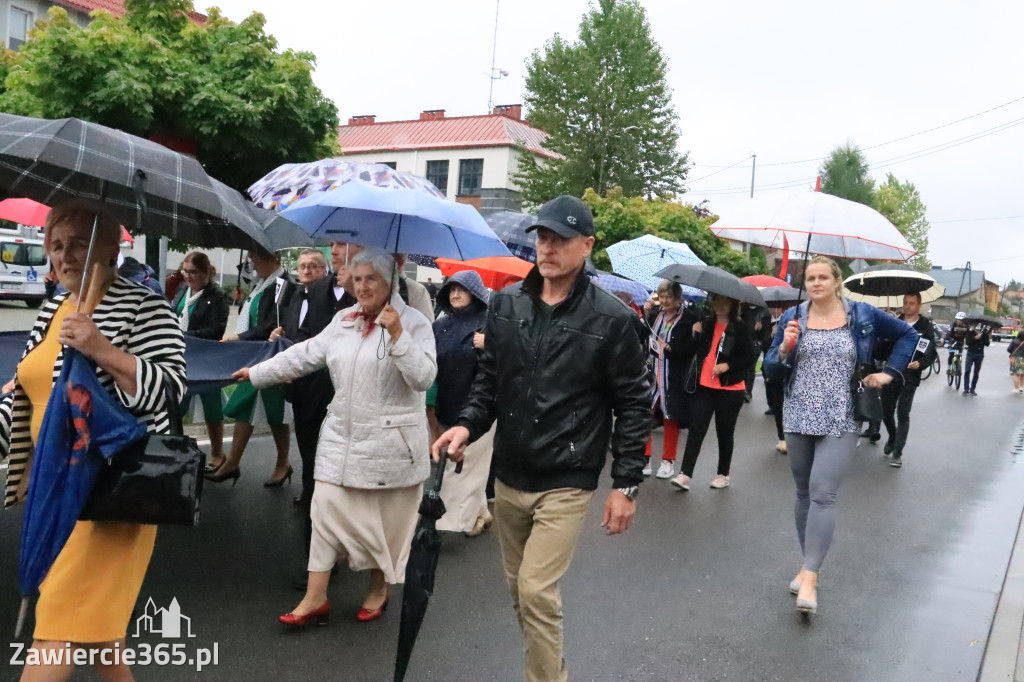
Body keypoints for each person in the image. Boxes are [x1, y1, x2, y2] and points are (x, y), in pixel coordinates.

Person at [432, 195, 650, 682]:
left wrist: (626, 484)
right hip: (509, 474)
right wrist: (466, 424)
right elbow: (489, 383)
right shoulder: (507, 304)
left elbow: (634, 405)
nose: (548, 247)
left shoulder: (611, 319)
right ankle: (551, 665)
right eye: (543, 237)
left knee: (534, 590)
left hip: (567, 478)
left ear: (586, 245)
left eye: (561, 239)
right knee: (523, 594)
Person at [0, 200, 186, 680]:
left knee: (58, 625)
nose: (65, 255)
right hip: (54, 488)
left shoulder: (144, 304)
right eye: (57, 245)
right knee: (101, 637)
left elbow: (170, 392)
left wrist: (101, 348)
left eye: (79, 243)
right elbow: (27, 392)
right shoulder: (55, 306)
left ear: (110, 247)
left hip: (108, 493)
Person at [234, 248, 436, 625]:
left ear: (391, 281)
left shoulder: (415, 323)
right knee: (323, 512)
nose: (361, 287)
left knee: (382, 525)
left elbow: (423, 378)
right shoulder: (344, 320)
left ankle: (378, 587)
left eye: (370, 279)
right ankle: (315, 597)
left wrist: (398, 335)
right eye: (355, 279)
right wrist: (259, 371)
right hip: (340, 439)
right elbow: (306, 354)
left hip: (390, 446)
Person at [764, 256, 917, 616]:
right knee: (802, 492)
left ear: (837, 281)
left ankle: (812, 578)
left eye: (823, 277)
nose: (816, 283)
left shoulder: (861, 314)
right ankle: (806, 564)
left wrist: (890, 373)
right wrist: (785, 348)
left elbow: (908, 334)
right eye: (811, 278)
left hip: (842, 415)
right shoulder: (792, 317)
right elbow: (771, 367)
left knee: (822, 493)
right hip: (799, 411)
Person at [212, 247, 296, 487]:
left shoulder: (284, 286)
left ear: (274, 258)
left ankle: (282, 462)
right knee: (246, 407)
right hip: (254, 355)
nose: (252, 262)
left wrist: (238, 338)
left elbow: (272, 324)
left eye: (256, 257)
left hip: (270, 355)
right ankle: (233, 463)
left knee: (275, 410)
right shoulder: (263, 284)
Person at [669, 294, 755, 491]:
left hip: (729, 388)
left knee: (724, 432)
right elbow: (694, 350)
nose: (720, 306)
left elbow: (749, 357)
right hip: (704, 385)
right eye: (717, 301)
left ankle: (723, 474)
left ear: (733, 305)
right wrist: (695, 335)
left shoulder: (739, 327)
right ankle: (685, 474)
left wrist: (728, 365)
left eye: (725, 302)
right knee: (696, 428)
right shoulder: (706, 323)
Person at [432, 270, 494, 536]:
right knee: (467, 467)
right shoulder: (438, 325)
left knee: (464, 467)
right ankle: (481, 513)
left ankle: (442, 522)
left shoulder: (490, 325)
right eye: (452, 289)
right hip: (447, 403)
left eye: (463, 289)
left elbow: (507, 363)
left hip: (480, 409)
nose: (456, 294)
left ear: (475, 294)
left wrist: (492, 344)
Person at [270, 249, 331, 512]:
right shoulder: (294, 296)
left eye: (313, 266)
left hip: (323, 380)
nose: (306, 270)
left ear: (324, 270)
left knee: (322, 441)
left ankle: (321, 495)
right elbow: (291, 328)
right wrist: (278, 333)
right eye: (302, 265)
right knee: (304, 438)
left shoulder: (332, 297)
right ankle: (309, 490)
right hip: (298, 380)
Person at [171, 251, 230, 470]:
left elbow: (216, 330)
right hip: (180, 357)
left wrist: (186, 335)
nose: (187, 276)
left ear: (206, 272)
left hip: (206, 359)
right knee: (176, 404)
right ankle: (177, 447)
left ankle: (217, 453)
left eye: (193, 272)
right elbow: (172, 313)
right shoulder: (182, 290)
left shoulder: (217, 295)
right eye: (185, 270)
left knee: (211, 405)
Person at [643, 280, 696, 479]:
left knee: (670, 417)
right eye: (661, 296)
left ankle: (668, 460)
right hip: (652, 373)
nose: (664, 300)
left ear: (677, 298)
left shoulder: (689, 318)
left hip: (674, 375)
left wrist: (671, 348)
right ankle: (645, 457)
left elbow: (690, 349)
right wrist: (644, 314)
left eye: (668, 297)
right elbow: (643, 336)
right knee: (646, 414)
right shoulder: (655, 315)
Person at [878, 291, 936, 467]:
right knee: (886, 412)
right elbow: (882, 348)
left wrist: (922, 363)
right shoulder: (895, 322)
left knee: (903, 413)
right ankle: (893, 436)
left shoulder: (925, 326)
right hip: (892, 372)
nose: (907, 306)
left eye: (911, 303)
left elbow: (931, 351)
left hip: (910, 376)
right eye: (905, 302)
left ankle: (897, 452)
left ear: (919, 305)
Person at [963, 323, 990, 396]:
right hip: (970, 353)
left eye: (979, 329)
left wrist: (983, 337)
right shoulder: (970, 332)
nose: (977, 330)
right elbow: (968, 342)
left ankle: (972, 389)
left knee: (976, 373)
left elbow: (987, 344)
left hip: (980, 354)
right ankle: (966, 389)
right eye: (976, 328)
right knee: (967, 371)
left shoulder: (984, 334)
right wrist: (975, 338)